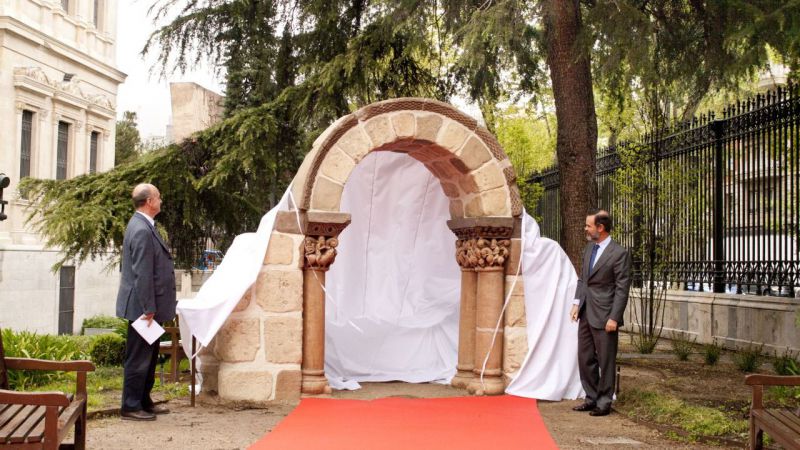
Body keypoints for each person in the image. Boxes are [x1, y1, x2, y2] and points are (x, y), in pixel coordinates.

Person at [116, 183, 176, 421]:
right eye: (158, 197)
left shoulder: (143, 225)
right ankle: (130, 406)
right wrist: (149, 308)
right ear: (150, 201)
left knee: (148, 358)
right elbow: (142, 272)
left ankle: (143, 401)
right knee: (139, 359)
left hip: (148, 307)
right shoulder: (141, 229)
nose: (161, 201)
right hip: (142, 309)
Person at [570, 209, 631, 416]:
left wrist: (614, 317)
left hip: (606, 316)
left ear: (600, 228)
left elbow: (622, 289)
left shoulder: (619, 253)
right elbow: (582, 280)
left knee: (605, 360)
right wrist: (576, 303)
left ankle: (604, 402)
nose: (585, 229)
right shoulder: (588, 249)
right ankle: (591, 397)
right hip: (586, 312)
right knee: (585, 357)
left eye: (588, 225)